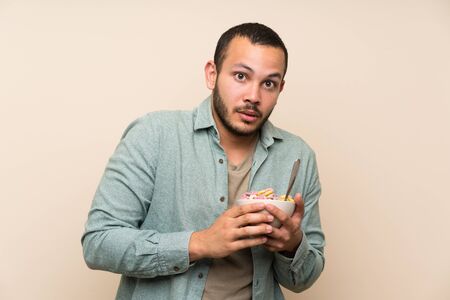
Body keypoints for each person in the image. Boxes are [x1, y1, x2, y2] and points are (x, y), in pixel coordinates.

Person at [82, 22, 325, 300]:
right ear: (212, 74)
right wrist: (199, 243)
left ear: (280, 89)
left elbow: (304, 278)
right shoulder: (154, 134)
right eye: (241, 76)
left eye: (268, 83)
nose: (253, 96)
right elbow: (98, 243)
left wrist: (292, 246)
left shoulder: (298, 156)